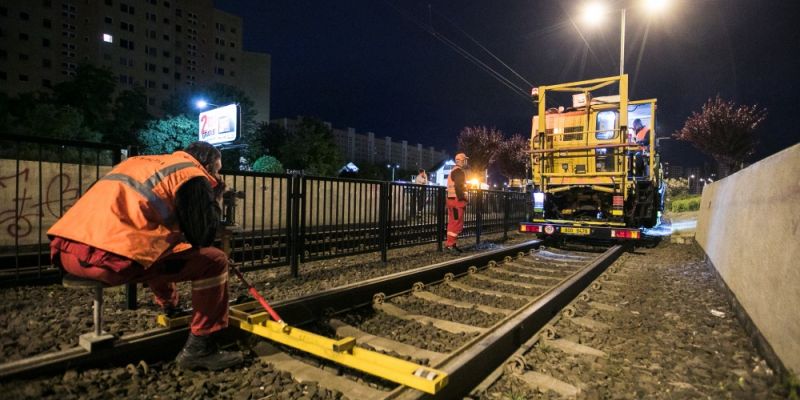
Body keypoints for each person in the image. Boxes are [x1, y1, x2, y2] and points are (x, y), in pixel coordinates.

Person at [47, 141, 243, 371]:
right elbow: (203, 237)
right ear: (207, 165)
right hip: (108, 261)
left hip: (66, 251)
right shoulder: (191, 175)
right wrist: (214, 195)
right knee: (214, 261)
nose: (218, 175)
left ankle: (170, 305)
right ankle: (200, 349)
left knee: (161, 243)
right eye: (217, 171)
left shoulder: (140, 162)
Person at [445, 153, 468, 254]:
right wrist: (464, 198)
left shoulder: (453, 171)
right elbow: (459, 187)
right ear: (462, 161)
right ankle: (450, 245)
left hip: (451, 200)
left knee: (452, 223)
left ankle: (451, 244)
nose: (466, 162)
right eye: (465, 160)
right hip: (457, 201)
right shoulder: (459, 172)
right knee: (456, 224)